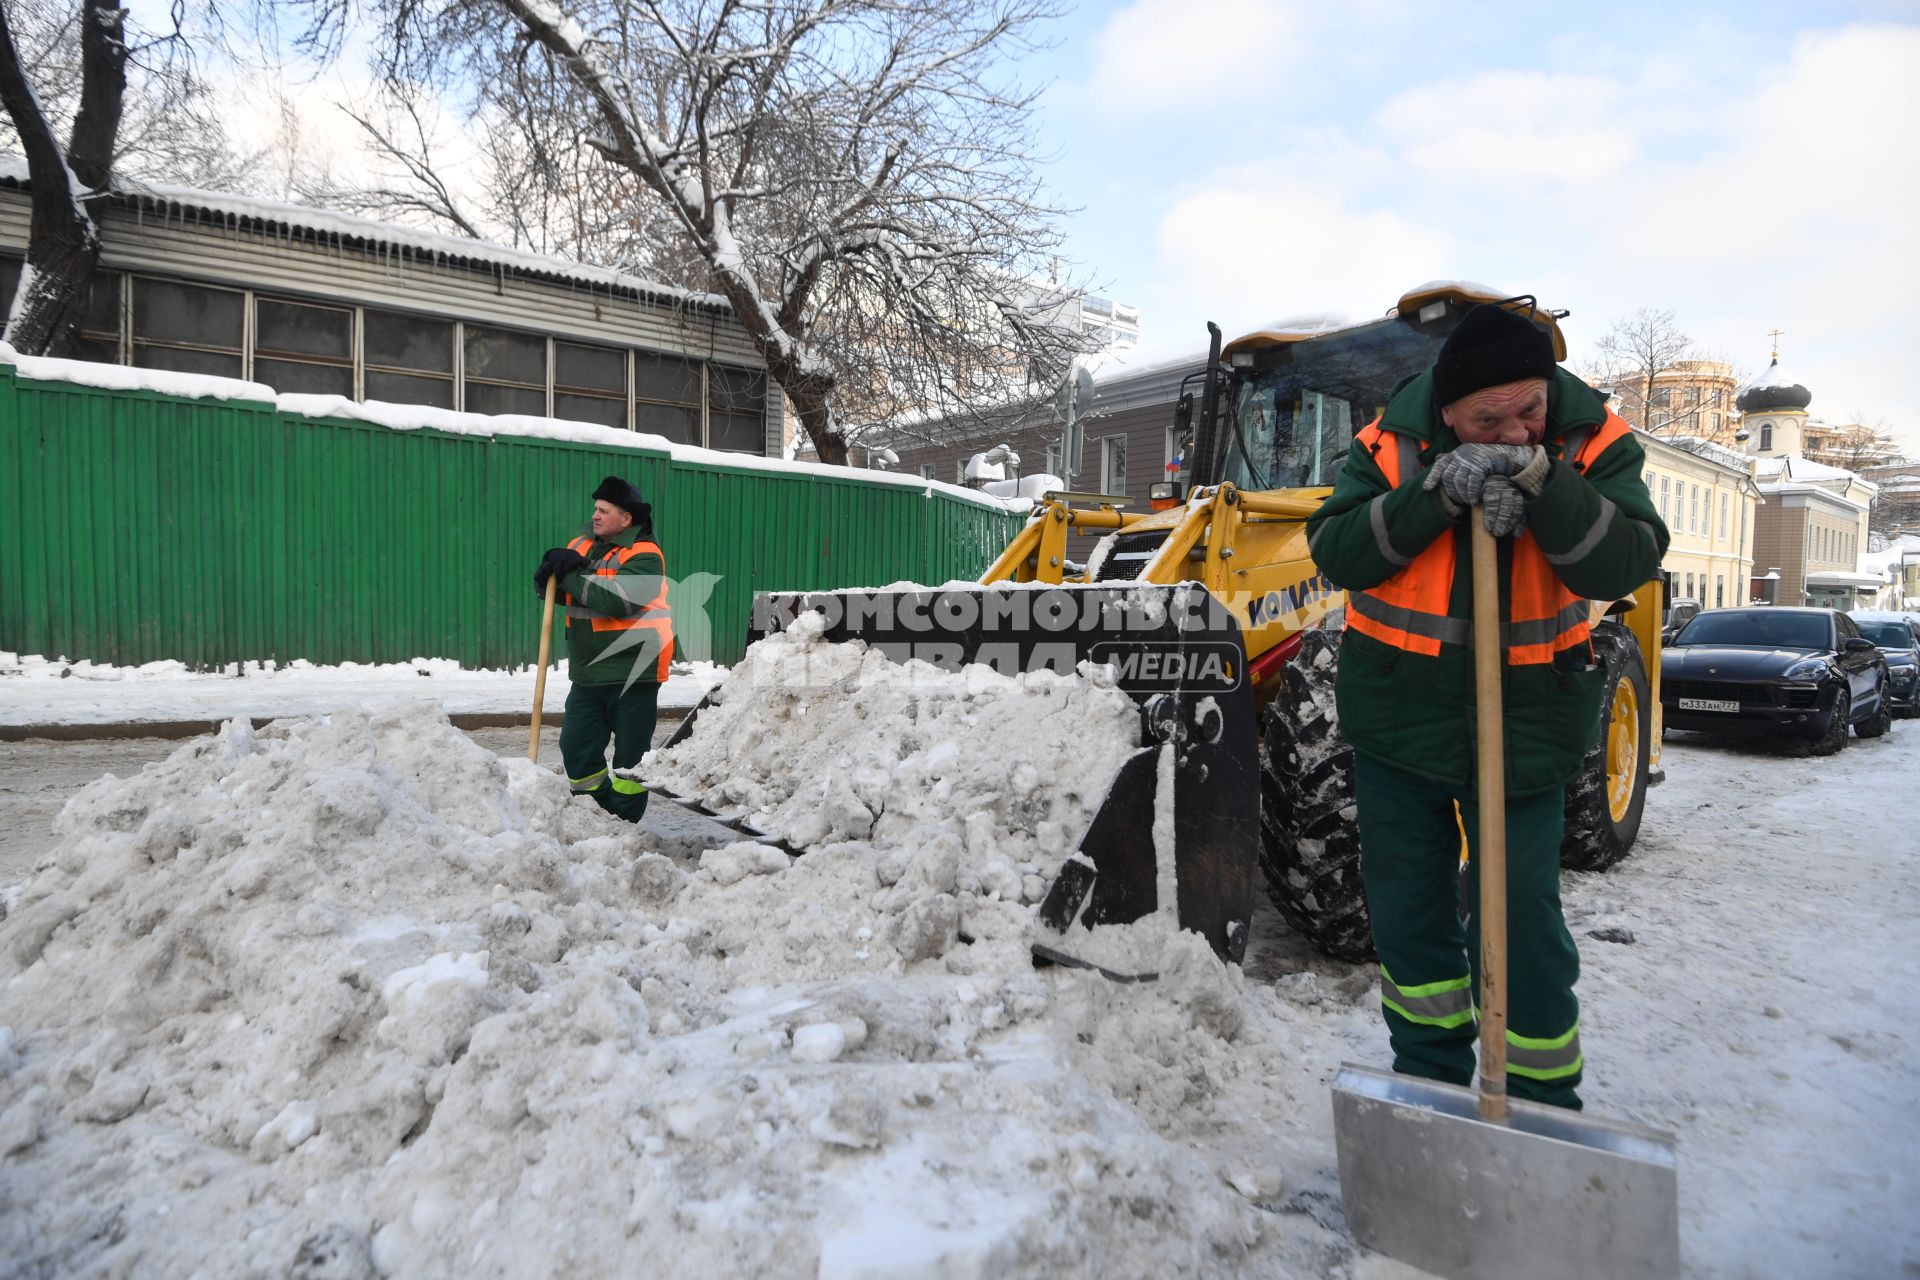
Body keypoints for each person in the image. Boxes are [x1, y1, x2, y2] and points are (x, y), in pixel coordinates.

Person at [1305, 303, 1668, 1110]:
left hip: (1528, 722)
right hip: (1401, 722)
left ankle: (1540, 1103)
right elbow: (1338, 550)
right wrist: (1432, 497)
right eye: (1488, 420)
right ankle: (1429, 1084)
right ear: (1446, 410)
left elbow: (1626, 560)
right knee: (1407, 913)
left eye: (1528, 411)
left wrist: (1550, 489)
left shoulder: (1592, 442)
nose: (1512, 433)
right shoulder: (1391, 445)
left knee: (1522, 921)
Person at [533, 475, 674, 823]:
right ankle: (594, 815)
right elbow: (564, 593)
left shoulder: (645, 554)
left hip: (634, 671)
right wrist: (546, 576)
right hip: (588, 671)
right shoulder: (581, 547)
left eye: (604, 510)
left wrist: (567, 575)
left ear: (626, 518)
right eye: (595, 508)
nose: (595, 515)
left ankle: (624, 824)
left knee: (630, 759)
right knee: (576, 748)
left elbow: (616, 600)